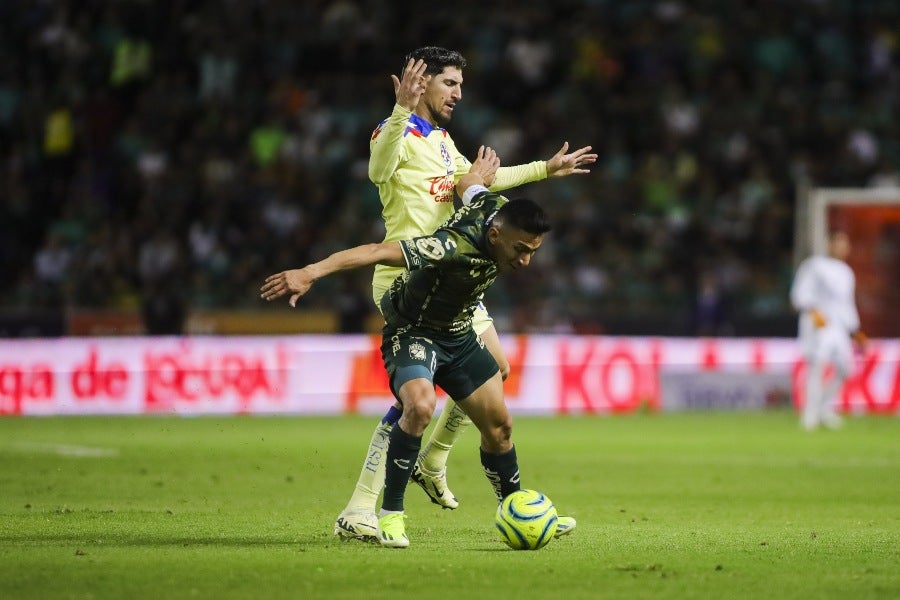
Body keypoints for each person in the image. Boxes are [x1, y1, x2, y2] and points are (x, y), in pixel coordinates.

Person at [333, 46, 596, 541]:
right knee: (417, 399)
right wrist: (398, 111)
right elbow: (378, 169)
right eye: (449, 83)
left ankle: (432, 461)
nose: (458, 92)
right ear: (423, 82)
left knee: (494, 369)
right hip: (412, 276)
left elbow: (477, 183)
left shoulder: (441, 141)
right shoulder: (396, 133)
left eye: (459, 84)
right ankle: (367, 505)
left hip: (455, 272)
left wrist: (545, 168)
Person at [261, 147, 576, 548]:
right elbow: (377, 252)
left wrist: (537, 169)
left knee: (500, 427)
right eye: (520, 250)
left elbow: (469, 185)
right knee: (420, 406)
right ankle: (391, 515)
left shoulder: (492, 208)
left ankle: (518, 510)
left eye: (533, 251)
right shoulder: (449, 247)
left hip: (459, 332)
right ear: (495, 235)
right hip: (414, 331)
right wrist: (309, 272)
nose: (526, 261)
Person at [789, 230, 867, 430]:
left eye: (845, 244)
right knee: (816, 368)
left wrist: (855, 330)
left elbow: (846, 304)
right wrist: (812, 311)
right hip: (818, 324)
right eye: (839, 243)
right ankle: (810, 415)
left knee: (845, 369)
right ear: (829, 244)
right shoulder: (814, 265)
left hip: (839, 327)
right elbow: (800, 293)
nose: (843, 248)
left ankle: (824, 408)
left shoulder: (846, 272)